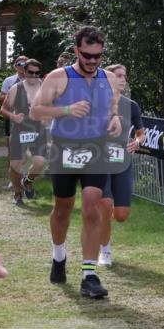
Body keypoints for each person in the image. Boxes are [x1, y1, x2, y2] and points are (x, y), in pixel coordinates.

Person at [30, 27, 122, 298]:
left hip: (96, 148)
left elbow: (113, 106)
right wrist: (66, 110)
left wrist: (115, 118)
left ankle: (89, 275)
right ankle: (59, 256)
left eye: (98, 56)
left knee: (93, 208)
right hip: (64, 148)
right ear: (76, 50)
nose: (92, 61)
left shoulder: (108, 78)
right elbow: (35, 110)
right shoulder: (59, 77)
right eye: (87, 55)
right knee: (63, 209)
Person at [98, 64, 145, 267]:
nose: (122, 79)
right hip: (99, 163)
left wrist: (138, 142)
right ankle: (104, 251)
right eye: (118, 76)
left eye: (124, 76)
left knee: (121, 215)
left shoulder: (131, 105)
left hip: (122, 162)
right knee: (105, 206)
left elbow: (141, 132)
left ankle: (103, 218)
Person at [0, 59, 47, 205]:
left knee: (40, 162)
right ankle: (17, 193)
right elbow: (3, 109)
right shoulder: (15, 88)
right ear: (24, 72)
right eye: (30, 72)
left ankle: (28, 181)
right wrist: (13, 116)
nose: (33, 75)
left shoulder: (45, 88)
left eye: (36, 73)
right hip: (20, 129)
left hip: (38, 128)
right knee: (16, 164)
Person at [0, 56, 29, 188]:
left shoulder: (32, 81)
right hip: (12, 118)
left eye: (25, 63)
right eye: (19, 63)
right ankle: (13, 178)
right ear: (15, 65)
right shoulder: (9, 80)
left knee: (27, 150)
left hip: (28, 120)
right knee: (12, 150)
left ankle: (24, 176)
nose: (22, 65)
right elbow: (0, 98)